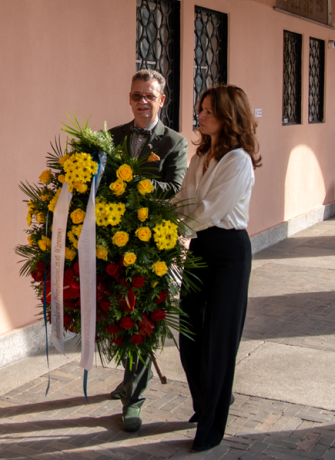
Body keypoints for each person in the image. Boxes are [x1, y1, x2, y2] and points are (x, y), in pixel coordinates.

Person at [176, 84, 261, 452]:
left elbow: (210, 209)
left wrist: (172, 227)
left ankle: (212, 426)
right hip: (200, 247)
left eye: (208, 110)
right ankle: (204, 403)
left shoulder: (239, 160)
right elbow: (184, 199)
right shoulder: (202, 155)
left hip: (229, 251)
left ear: (229, 115)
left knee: (219, 341)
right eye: (201, 109)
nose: (201, 115)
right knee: (189, 332)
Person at [107, 69, 188, 432]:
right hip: (114, 239)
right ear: (129, 98)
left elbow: (174, 187)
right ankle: (129, 380)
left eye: (149, 96)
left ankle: (134, 398)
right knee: (117, 314)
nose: (142, 101)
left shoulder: (174, 142)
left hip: (153, 245)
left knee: (139, 319)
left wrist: (134, 183)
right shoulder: (112, 137)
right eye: (136, 95)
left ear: (161, 100)